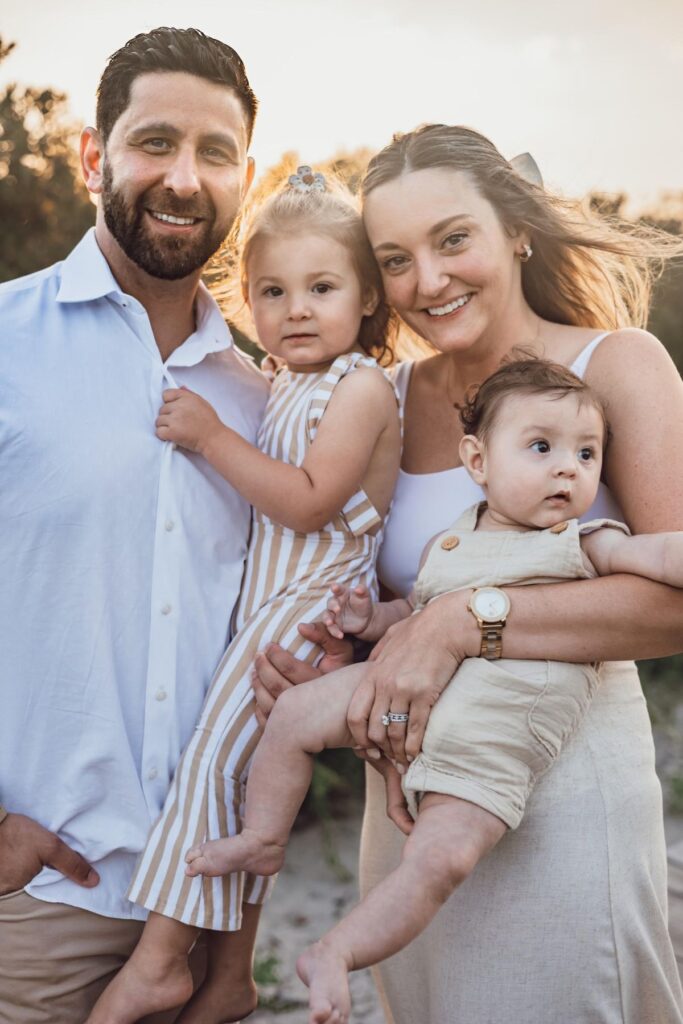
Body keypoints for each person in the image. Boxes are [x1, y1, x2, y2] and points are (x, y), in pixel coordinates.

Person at [253, 125, 683, 1023]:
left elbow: (670, 607)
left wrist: (459, 625)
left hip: (558, 795)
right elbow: (378, 592)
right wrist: (319, 660)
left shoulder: (614, 365)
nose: (429, 281)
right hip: (405, 806)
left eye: (454, 240)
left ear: (515, 230)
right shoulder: (385, 395)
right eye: (395, 259)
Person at [185, 357, 683, 1024]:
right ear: (476, 460)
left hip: (495, 735)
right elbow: (416, 614)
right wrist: (369, 621)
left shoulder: (583, 543)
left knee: (438, 859)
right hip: (424, 702)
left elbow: (659, 559)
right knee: (298, 712)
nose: (568, 468)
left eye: (586, 453)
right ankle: (264, 836)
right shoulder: (447, 543)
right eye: (541, 448)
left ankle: (338, 951)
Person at [0, 26, 273, 1024]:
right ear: (91, 155)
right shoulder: (6, 344)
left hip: (205, 911)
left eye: (215, 152)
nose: (184, 177)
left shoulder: (264, 401)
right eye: (155, 141)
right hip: (38, 908)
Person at [87, 171, 402, 1024]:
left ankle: (159, 963)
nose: (294, 308)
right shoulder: (288, 380)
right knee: (220, 766)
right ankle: (226, 976)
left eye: (321, 288)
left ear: (368, 296)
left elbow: (305, 499)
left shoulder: (363, 388)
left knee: (212, 766)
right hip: (264, 607)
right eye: (271, 291)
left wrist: (212, 435)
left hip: (308, 609)